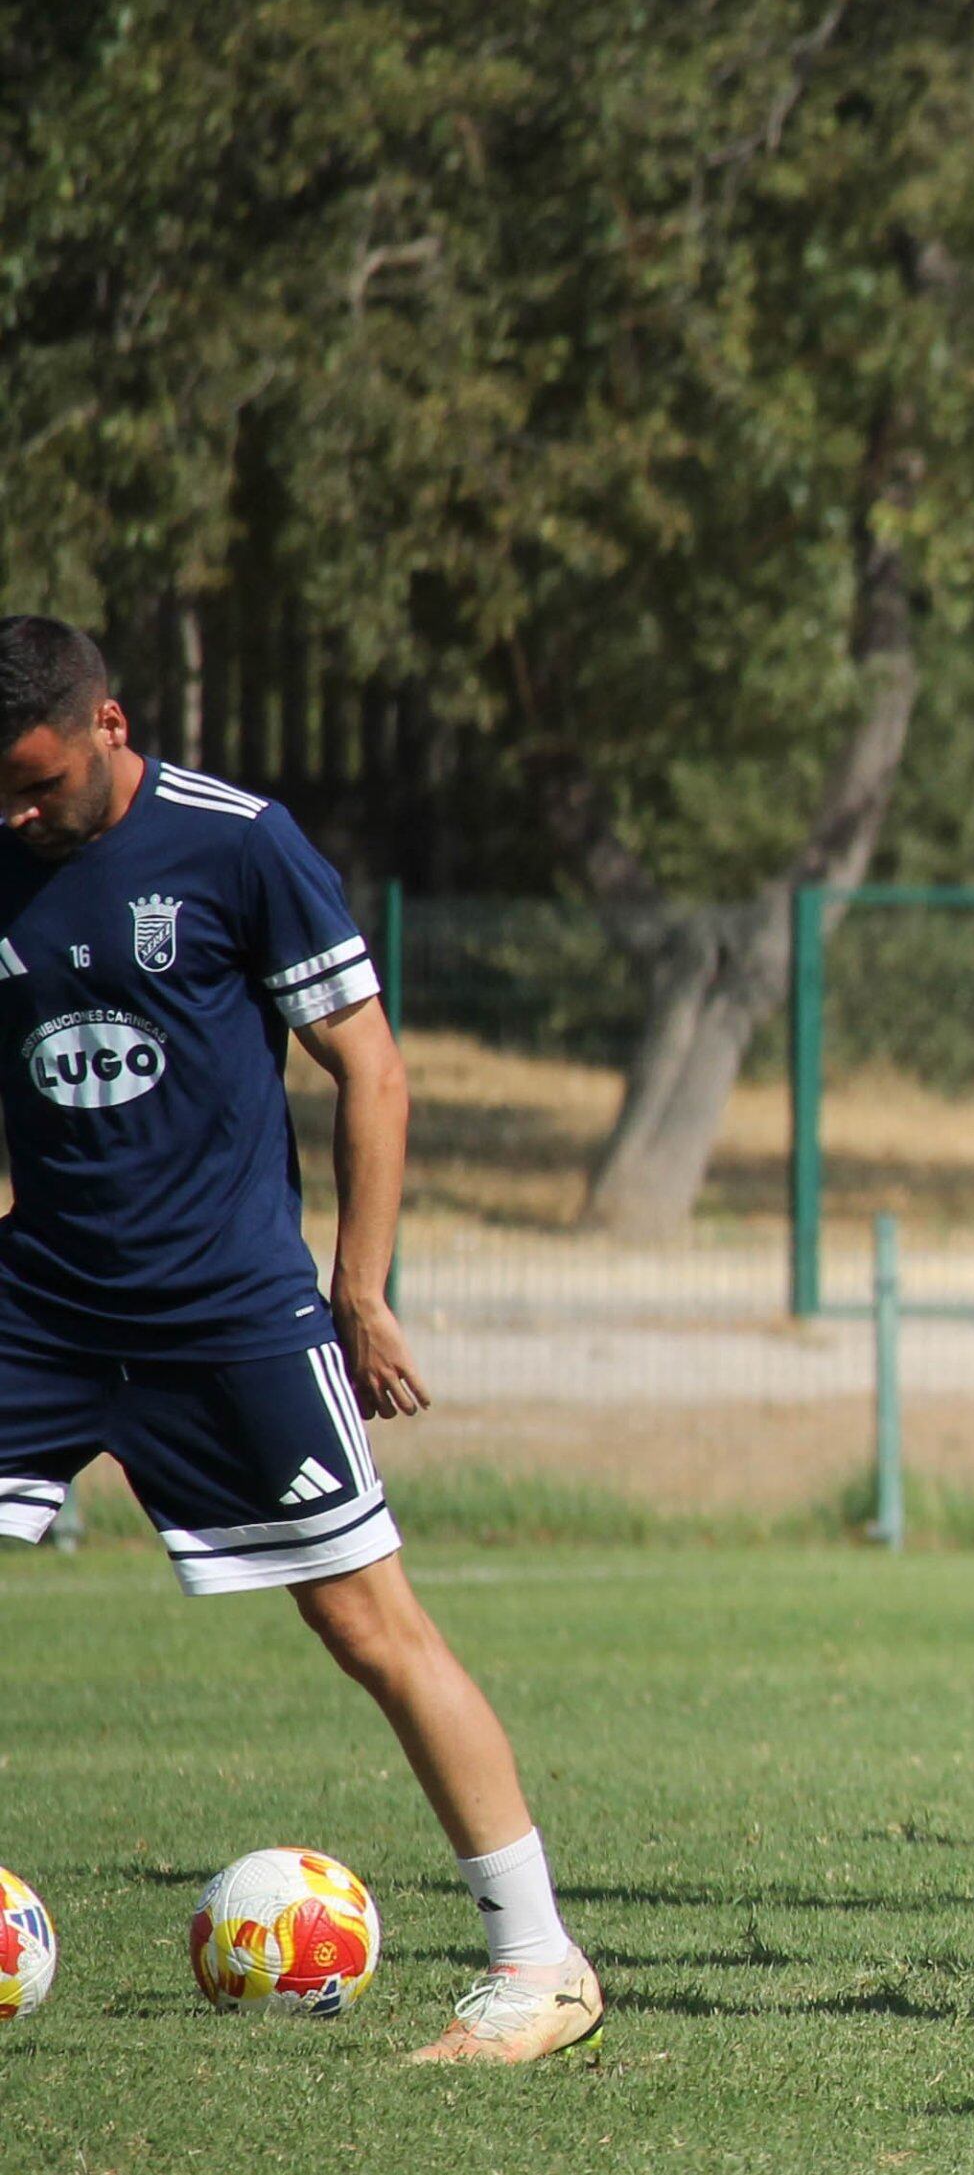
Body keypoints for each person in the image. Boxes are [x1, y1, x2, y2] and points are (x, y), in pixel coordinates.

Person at [0, 617, 602, 2062]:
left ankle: (543, 1967)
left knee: (368, 1624)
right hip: (39, 1305)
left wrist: (361, 1287)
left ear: (109, 727)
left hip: (226, 1311)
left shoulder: (240, 843)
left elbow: (371, 1068)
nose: (15, 817)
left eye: (33, 786)